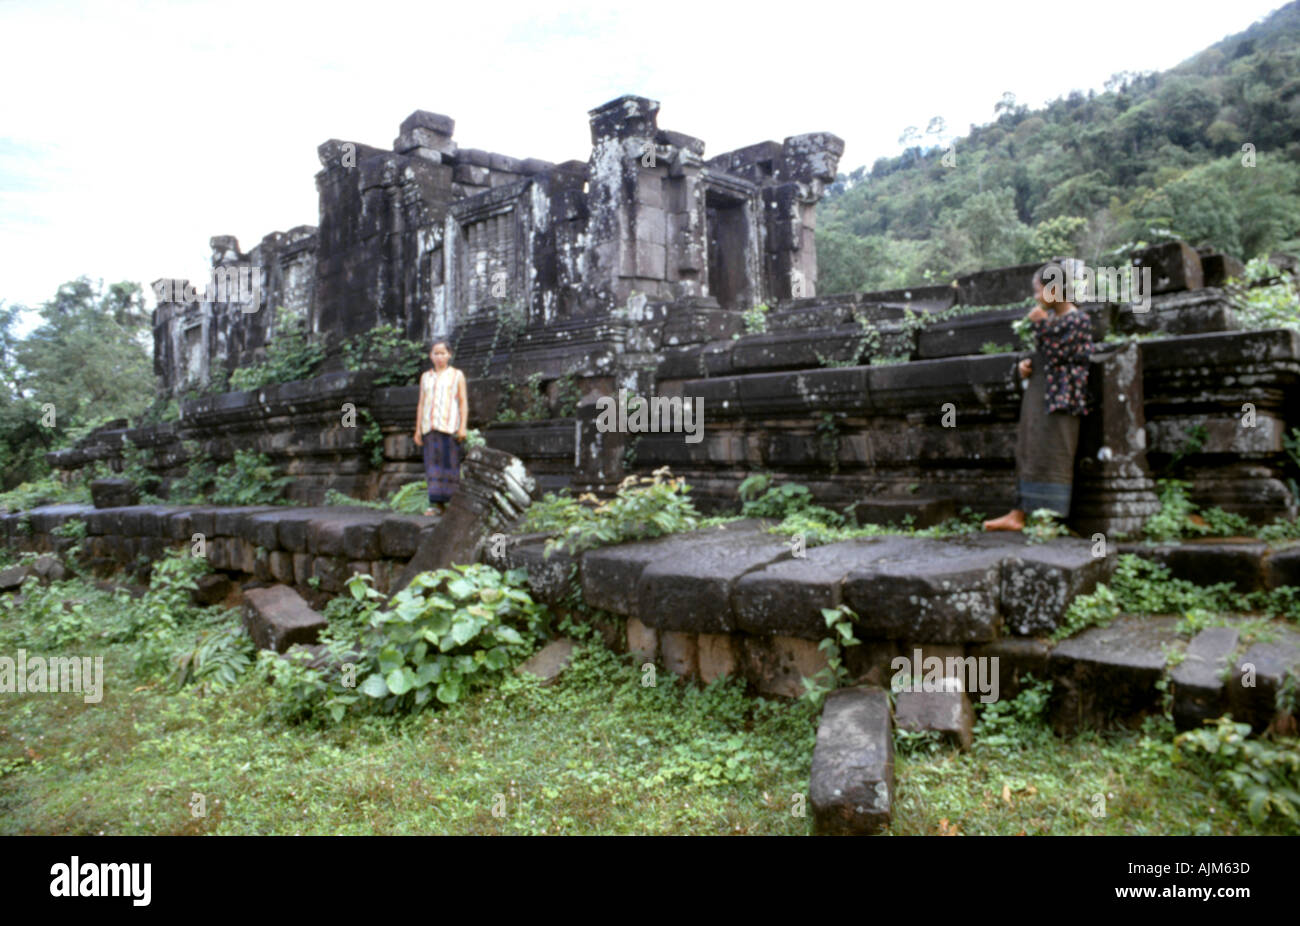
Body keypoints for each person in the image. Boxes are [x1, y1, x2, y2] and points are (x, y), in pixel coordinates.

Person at [983, 260, 1093, 531]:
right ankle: (1017, 514)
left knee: (1053, 453)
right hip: (1039, 393)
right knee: (1029, 450)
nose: (1035, 297)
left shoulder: (1079, 320)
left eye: (1038, 290)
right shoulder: (1053, 319)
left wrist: (1042, 323)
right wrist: (1024, 366)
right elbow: (1043, 354)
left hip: (1061, 398)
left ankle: (1047, 517)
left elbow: (1061, 355)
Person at [413, 340, 468, 517]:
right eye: (436, 353)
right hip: (430, 427)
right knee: (432, 466)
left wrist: (463, 427)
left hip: (450, 426)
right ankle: (436, 505)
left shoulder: (457, 375)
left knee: (450, 465)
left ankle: (452, 505)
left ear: (449, 355)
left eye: (442, 353)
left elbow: (462, 402)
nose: (439, 357)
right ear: (431, 356)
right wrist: (417, 429)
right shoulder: (425, 377)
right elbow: (421, 403)